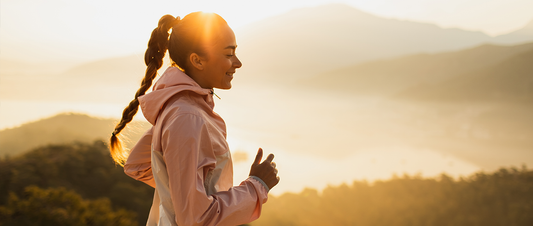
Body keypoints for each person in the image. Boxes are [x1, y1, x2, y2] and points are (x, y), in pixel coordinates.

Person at [109, 12, 280, 226]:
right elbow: (195, 219)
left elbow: (139, 165)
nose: (238, 63)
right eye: (229, 54)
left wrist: (185, 191)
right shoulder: (187, 117)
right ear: (197, 60)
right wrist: (257, 185)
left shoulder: (179, 108)